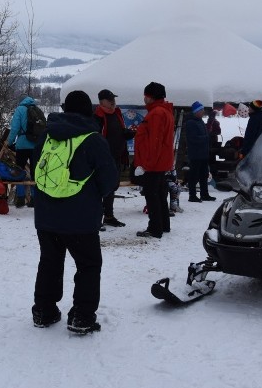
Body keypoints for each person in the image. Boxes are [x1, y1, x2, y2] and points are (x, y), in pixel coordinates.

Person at [31, 90, 118, 335]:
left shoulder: (47, 135)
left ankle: (43, 311)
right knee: (88, 265)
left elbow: (35, 171)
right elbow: (109, 180)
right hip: (80, 218)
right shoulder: (93, 139)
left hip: (46, 216)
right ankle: (82, 317)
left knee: (49, 262)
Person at [133, 82, 174, 239]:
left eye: (146, 95)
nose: (144, 98)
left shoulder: (156, 113)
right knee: (160, 193)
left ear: (150, 97)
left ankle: (155, 228)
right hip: (161, 161)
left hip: (154, 163)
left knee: (151, 194)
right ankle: (164, 225)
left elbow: (155, 141)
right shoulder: (164, 111)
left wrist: (146, 164)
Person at [93, 88, 134, 227]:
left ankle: (109, 216)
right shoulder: (97, 116)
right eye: (110, 100)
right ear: (102, 101)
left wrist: (127, 133)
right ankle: (95, 218)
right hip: (103, 158)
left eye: (114, 99)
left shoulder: (117, 113)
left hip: (117, 156)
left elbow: (119, 131)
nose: (113, 102)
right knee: (100, 188)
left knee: (112, 187)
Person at [6, 95, 40, 208]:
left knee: (19, 171)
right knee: (35, 172)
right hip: (36, 145)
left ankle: (20, 198)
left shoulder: (20, 109)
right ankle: (34, 198)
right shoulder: (36, 110)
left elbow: (15, 128)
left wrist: (9, 142)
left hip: (22, 145)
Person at [184, 101, 215, 203]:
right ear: (196, 111)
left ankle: (204, 194)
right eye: (201, 110)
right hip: (195, 154)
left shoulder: (200, 121)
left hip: (203, 153)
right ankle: (192, 195)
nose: (203, 111)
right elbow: (193, 138)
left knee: (204, 174)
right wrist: (206, 138)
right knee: (194, 175)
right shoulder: (190, 122)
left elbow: (205, 133)